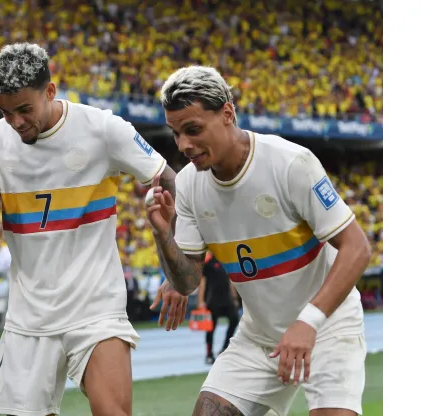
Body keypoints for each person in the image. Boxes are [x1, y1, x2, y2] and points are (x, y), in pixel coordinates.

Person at [0, 42, 179, 416]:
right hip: (28, 318)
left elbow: (169, 179)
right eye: (7, 111)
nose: (16, 122)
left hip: (95, 309)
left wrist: (180, 262)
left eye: (25, 110)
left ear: (50, 91)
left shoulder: (103, 128)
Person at [147, 65, 371, 416]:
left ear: (227, 113)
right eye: (175, 134)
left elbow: (357, 248)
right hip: (259, 336)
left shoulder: (290, 164)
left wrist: (307, 322)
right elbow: (188, 281)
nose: (184, 145)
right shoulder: (189, 184)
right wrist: (164, 235)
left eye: (193, 130)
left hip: (327, 327)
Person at [197, 252, 240, 364]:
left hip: (227, 299)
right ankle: (209, 354)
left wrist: (234, 297)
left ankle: (225, 348)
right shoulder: (208, 264)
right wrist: (201, 301)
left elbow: (230, 281)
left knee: (234, 320)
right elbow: (203, 283)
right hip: (212, 300)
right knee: (210, 328)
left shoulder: (227, 263)